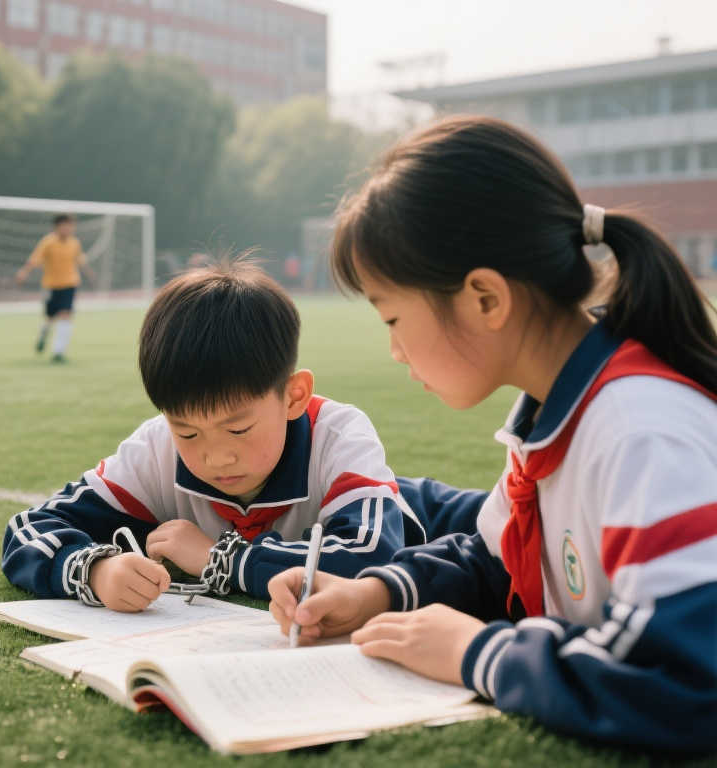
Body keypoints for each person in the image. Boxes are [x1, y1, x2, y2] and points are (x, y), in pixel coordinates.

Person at [267, 116, 717, 751]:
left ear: (485, 298)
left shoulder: (640, 432)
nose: (395, 350)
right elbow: (495, 557)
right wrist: (376, 593)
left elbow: (683, 678)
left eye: (393, 316)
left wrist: (481, 655)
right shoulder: (559, 412)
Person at [2, 261, 478, 612]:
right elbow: (28, 529)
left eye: (239, 428)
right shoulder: (158, 447)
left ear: (294, 396)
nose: (216, 457)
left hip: (437, 516)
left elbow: (372, 559)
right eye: (188, 431)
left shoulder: (339, 434)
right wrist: (95, 569)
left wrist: (219, 559)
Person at [14, 214, 93, 363]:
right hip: (51, 285)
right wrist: (23, 272)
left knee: (66, 314)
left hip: (70, 284)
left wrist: (89, 273)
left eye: (71, 226)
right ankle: (44, 334)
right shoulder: (48, 242)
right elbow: (34, 259)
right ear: (57, 227)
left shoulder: (74, 243)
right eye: (65, 226)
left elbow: (80, 260)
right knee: (50, 317)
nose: (68, 229)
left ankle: (58, 352)